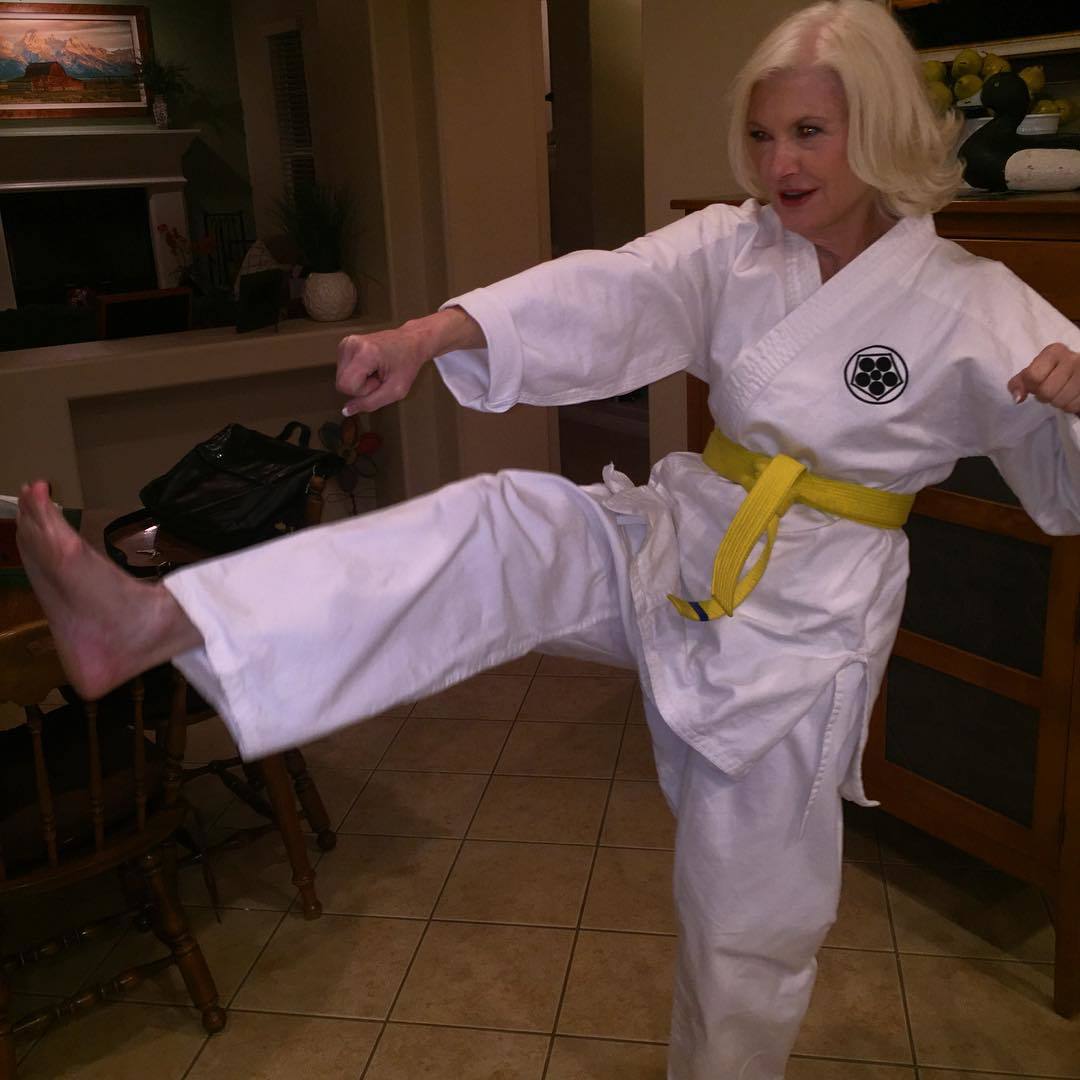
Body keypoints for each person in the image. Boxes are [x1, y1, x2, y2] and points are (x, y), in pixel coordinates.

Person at [16, 1, 1080, 1075]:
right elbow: (609, 290)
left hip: (807, 621)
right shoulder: (737, 246)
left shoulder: (972, 301)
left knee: (746, 921)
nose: (778, 164)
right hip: (683, 532)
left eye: (809, 132)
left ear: (881, 126)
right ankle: (160, 621)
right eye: (763, 135)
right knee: (502, 524)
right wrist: (430, 333)